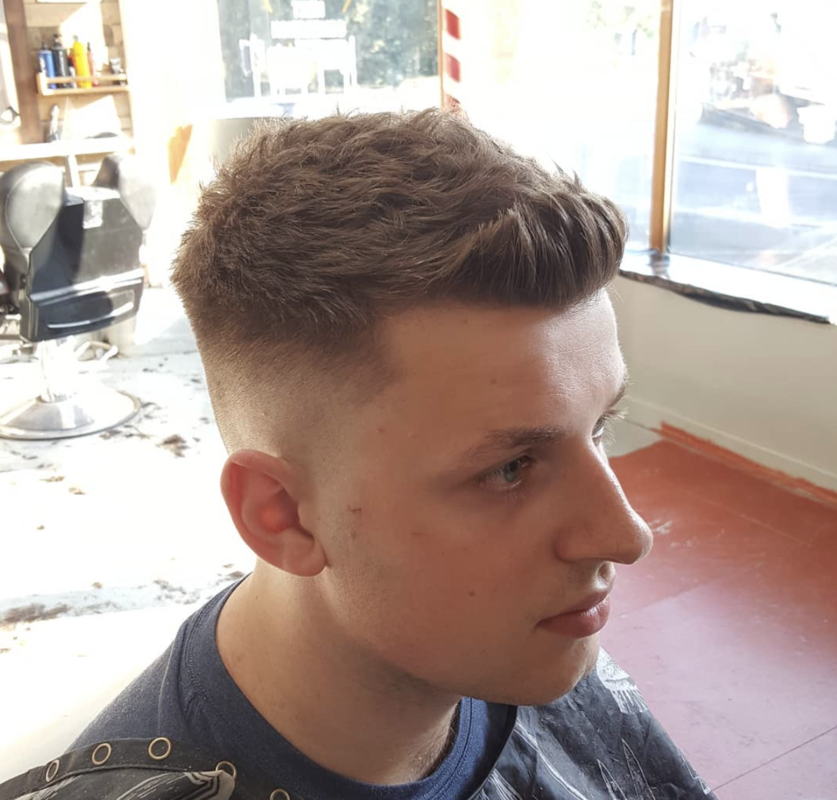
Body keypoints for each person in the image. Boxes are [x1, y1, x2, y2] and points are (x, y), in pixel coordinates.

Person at [70, 110, 715, 799]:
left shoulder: (513, 639)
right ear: (282, 515)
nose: (625, 537)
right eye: (509, 469)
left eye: (601, 424)